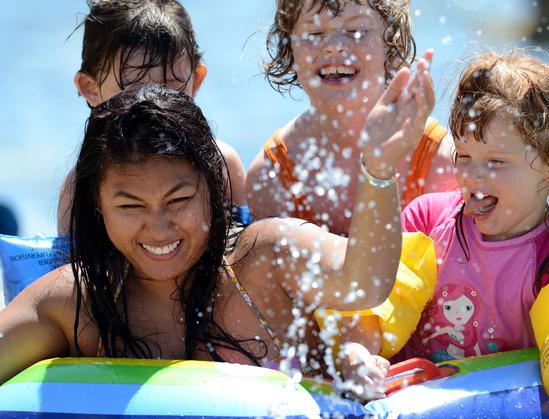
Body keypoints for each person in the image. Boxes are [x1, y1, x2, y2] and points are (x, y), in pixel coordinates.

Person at [0, 40, 436, 396]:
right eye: (131, 206)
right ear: (98, 205)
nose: (158, 228)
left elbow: (365, 283)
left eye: (179, 200)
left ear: (213, 188)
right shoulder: (77, 303)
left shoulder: (265, 260)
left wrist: (378, 169)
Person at [323, 50, 549, 419]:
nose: (474, 177)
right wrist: (357, 353)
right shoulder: (428, 221)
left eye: (496, 162)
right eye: (464, 157)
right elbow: (376, 302)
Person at [245, 0, 457, 236]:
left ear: (391, 43)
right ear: (289, 48)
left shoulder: (437, 160)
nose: (334, 47)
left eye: (356, 31)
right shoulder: (272, 177)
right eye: (314, 33)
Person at [57, 0, 248, 235]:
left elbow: (244, 255)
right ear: (90, 88)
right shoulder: (80, 185)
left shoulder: (222, 164)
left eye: (171, 89)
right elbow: (71, 269)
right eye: (134, 90)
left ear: (195, 81)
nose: (155, 104)